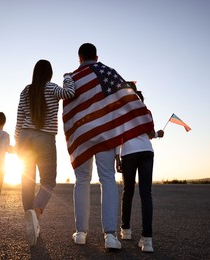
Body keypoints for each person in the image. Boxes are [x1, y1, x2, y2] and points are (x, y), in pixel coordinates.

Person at [62, 43, 155, 249]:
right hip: (105, 136)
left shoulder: (71, 78)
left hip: (83, 137)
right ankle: (110, 236)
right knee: (107, 180)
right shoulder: (108, 72)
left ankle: (80, 233)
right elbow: (124, 96)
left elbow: (69, 108)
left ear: (79, 58)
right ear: (96, 56)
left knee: (82, 181)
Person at [15, 59, 75, 246]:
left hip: (25, 137)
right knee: (48, 180)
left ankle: (31, 222)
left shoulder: (26, 90)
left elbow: (19, 118)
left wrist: (17, 141)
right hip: (44, 138)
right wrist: (67, 77)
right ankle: (36, 212)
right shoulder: (52, 88)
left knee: (27, 181)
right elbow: (70, 93)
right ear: (49, 73)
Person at [115, 82, 164, 253]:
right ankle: (147, 239)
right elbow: (150, 134)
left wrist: (116, 157)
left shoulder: (120, 111)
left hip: (128, 153)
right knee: (146, 193)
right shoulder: (145, 110)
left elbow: (117, 135)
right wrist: (158, 134)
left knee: (128, 191)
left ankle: (125, 230)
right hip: (146, 152)